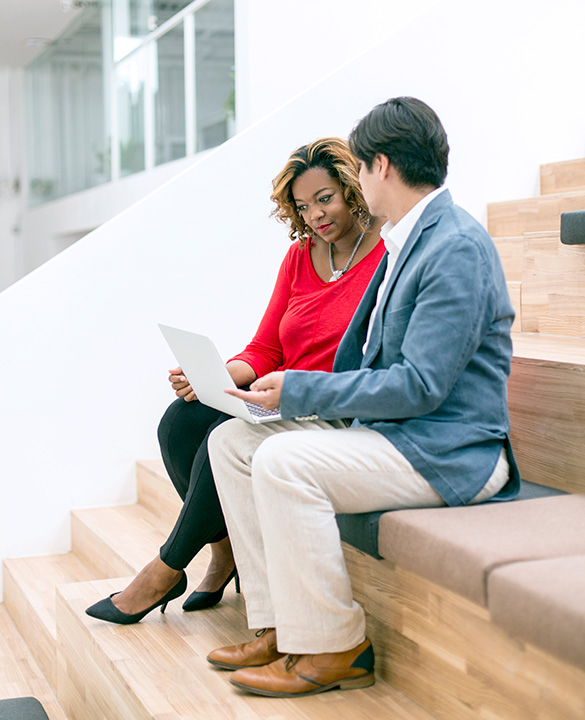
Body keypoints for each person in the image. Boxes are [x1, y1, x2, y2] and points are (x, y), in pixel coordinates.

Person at [204, 97, 521, 698]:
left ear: (379, 167)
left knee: (281, 460)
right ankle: (280, 624)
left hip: (451, 452)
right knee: (235, 441)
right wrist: (283, 397)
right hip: (399, 434)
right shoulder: (414, 237)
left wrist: (300, 389)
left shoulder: (452, 246)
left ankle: (334, 647)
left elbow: (420, 386)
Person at [85, 137, 385, 625]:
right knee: (180, 422)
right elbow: (267, 348)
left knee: (222, 440)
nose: (315, 216)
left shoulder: (387, 257)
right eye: (303, 207)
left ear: (352, 187)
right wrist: (215, 378)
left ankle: (165, 568)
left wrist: (287, 385)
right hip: (282, 394)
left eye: (324, 199)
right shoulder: (301, 258)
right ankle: (223, 551)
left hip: (327, 404)